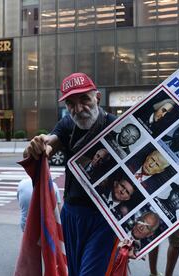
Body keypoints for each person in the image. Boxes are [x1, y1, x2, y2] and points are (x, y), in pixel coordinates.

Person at [23, 72, 118, 275]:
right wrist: (37, 146)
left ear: (97, 98)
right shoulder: (68, 125)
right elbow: (49, 144)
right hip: (72, 214)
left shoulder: (116, 125)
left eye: (84, 99)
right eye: (71, 103)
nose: (79, 109)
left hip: (105, 217)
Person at [149, 182, 179, 276]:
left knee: (176, 243)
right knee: (152, 237)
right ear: (172, 192)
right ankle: (153, 273)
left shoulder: (178, 219)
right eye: (177, 195)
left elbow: (176, 244)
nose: (178, 201)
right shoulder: (156, 201)